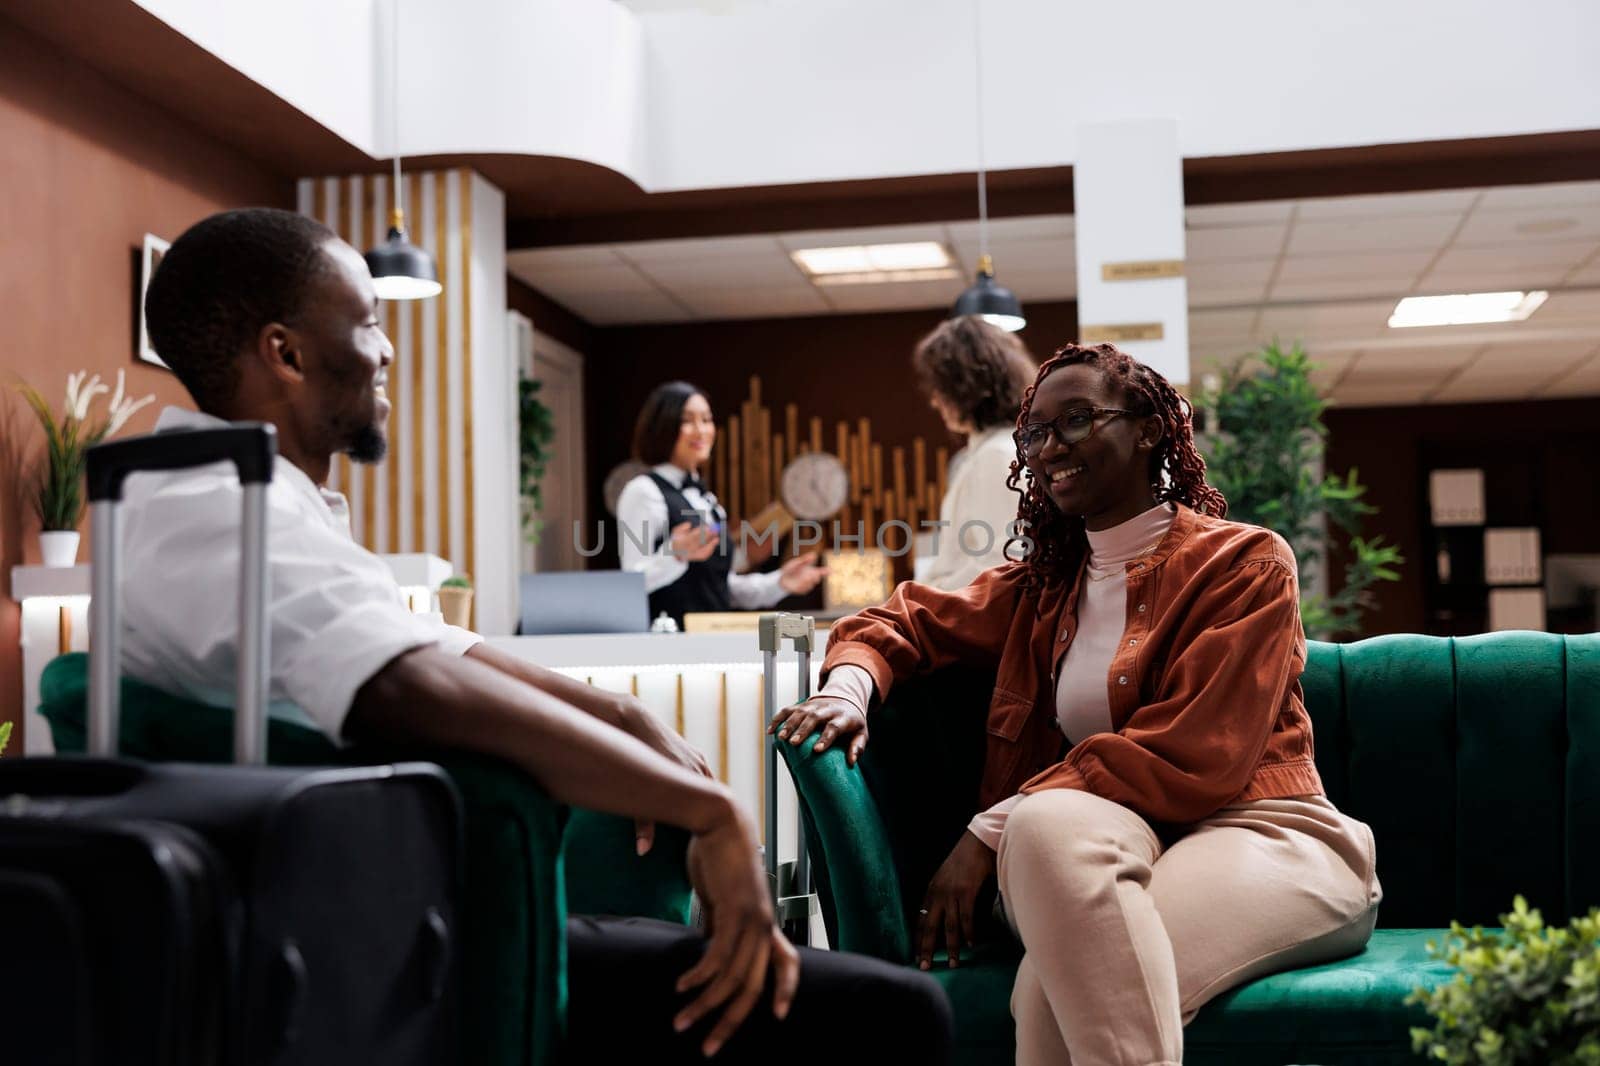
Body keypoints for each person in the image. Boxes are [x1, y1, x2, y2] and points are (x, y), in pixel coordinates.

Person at [133, 208, 951, 1064]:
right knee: (894, 1015)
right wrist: (707, 809)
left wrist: (627, 718)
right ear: (285, 353)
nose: (387, 351)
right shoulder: (218, 515)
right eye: (368, 322)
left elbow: (433, 645)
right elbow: (405, 680)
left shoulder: (269, 507)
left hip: (405, 909)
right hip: (361, 950)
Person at [769, 343, 1381, 1065]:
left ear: (1149, 428)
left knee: (1043, 987)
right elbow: (893, 622)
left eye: (1078, 420)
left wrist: (985, 831)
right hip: (1111, 842)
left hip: (1265, 834)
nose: (1049, 447)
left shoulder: (1243, 563)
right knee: (1046, 825)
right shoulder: (1043, 587)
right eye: (1036, 433)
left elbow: (1196, 751)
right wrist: (847, 689)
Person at [617, 381, 827, 628]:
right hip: (668, 645)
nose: (701, 430)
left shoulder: (707, 500)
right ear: (662, 426)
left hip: (712, 639)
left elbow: (720, 585)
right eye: (687, 421)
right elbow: (631, 584)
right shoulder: (642, 491)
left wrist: (779, 582)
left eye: (707, 420)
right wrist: (674, 555)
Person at [911, 316, 1036, 590]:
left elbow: (1000, 564)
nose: (934, 401)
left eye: (939, 388)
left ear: (964, 388)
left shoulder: (996, 456)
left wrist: (922, 599)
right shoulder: (1000, 450)